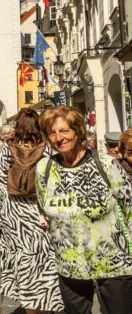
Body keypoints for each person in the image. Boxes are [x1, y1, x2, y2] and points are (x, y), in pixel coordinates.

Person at [37, 106, 132, 313]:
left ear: (77, 131)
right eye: (52, 132)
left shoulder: (106, 164)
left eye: (64, 131)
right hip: (69, 264)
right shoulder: (44, 168)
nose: (58, 138)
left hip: (113, 262)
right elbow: (45, 207)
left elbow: (129, 209)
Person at [0, 109, 64, 313]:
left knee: (23, 262)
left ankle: (29, 306)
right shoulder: (48, 150)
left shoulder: (7, 150)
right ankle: (46, 301)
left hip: (15, 217)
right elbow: (56, 184)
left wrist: (4, 212)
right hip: (40, 215)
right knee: (44, 262)